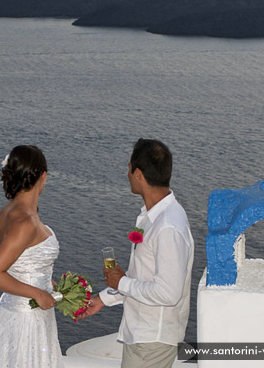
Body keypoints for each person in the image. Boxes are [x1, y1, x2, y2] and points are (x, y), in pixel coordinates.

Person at [80, 138, 194, 368]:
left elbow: (168, 293)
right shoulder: (157, 217)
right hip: (146, 337)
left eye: (129, 168)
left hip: (152, 339)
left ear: (138, 173)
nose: (127, 173)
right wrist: (103, 299)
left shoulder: (167, 226)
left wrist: (121, 282)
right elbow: (147, 280)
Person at [0, 145, 64, 368]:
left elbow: (20, 264)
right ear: (43, 176)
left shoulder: (7, 213)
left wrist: (52, 286)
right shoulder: (25, 221)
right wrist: (37, 292)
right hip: (27, 317)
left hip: (17, 309)